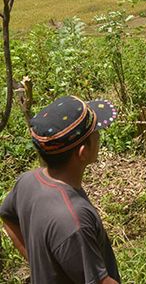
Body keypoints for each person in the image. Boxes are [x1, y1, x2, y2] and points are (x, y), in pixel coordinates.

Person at [0, 96, 120, 283]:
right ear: (83, 152)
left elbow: (8, 218)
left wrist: (40, 265)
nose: (99, 135)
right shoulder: (75, 221)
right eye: (95, 132)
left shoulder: (27, 181)